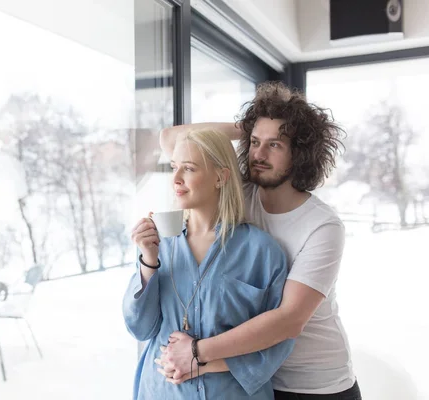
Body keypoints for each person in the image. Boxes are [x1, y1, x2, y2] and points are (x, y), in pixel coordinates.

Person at [157, 82, 362, 399]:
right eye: (254, 143)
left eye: (275, 145)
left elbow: (289, 320)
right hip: (250, 376)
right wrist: (253, 125)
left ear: (301, 154)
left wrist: (197, 351)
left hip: (314, 384)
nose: (259, 154)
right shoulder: (242, 194)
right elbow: (172, 139)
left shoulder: (322, 226)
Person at [123, 128, 294, 399]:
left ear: (220, 177)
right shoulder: (159, 245)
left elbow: (277, 342)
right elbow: (139, 328)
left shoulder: (262, 252)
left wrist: (204, 363)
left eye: (189, 168)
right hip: (163, 391)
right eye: (174, 167)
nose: (176, 179)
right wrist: (148, 262)